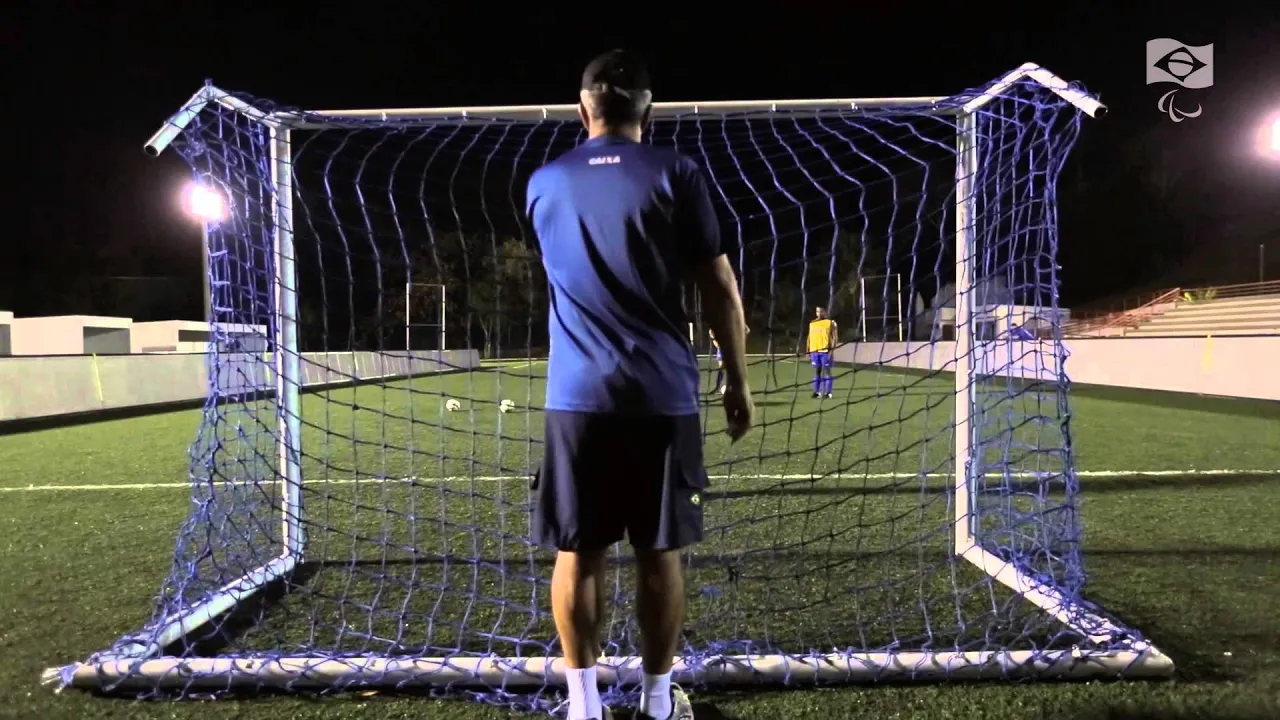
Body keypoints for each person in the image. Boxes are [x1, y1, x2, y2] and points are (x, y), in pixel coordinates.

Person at [525, 49, 753, 720]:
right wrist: (737, 382)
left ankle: (584, 706)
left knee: (578, 552)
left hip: (577, 397)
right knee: (659, 554)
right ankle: (657, 704)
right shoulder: (676, 172)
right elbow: (719, 288)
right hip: (661, 394)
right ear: (649, 111)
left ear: (582, 109)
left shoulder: (543, 183)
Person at [807, 306, 837, 398]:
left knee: (827, 372)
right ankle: (817, 392)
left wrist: (832, 350)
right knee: (817, 371)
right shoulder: (812, 323)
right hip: (814, 352)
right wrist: (808, 351)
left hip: (825, 351)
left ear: (825, 312)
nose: (819, 313)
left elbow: (834, 337)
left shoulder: (830, 323)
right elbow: (809, 337)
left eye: (821, 311)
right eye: (817, 311)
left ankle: (828, 393)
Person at [709, 325, 748, 395]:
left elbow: (747, 330)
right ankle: (718, 387)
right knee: (721, 368)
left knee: (731, 368)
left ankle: (736, 386)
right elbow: (716, 341)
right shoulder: (717, 326)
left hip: (730, 349)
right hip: (721, 350)